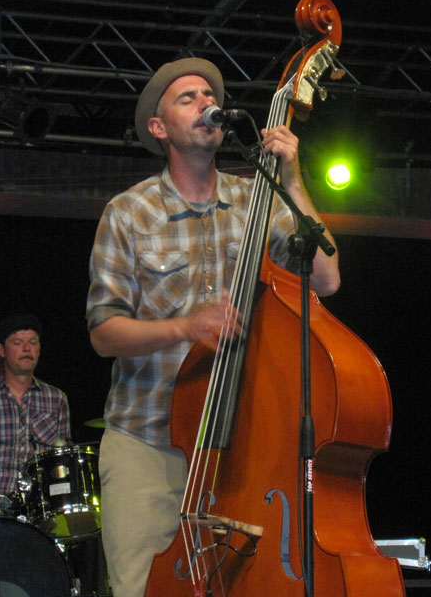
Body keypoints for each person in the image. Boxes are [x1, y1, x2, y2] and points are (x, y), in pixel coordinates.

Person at [86, 57, 340, 597]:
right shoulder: (128, 212)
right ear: (159, 129)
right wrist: (186, 327)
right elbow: (105, 332)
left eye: (209, 94)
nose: (206, 103)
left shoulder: (255, 200)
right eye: (188, 98)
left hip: (236, 451)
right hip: (147, 443)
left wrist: (291, 177)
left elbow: (327, 277)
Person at [0, 313, 71, 497]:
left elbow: (63, 459)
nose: (27, 348)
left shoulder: (57, 399)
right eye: (18, 343)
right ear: (1, 350)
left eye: (33, 342)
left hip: (39, 503)